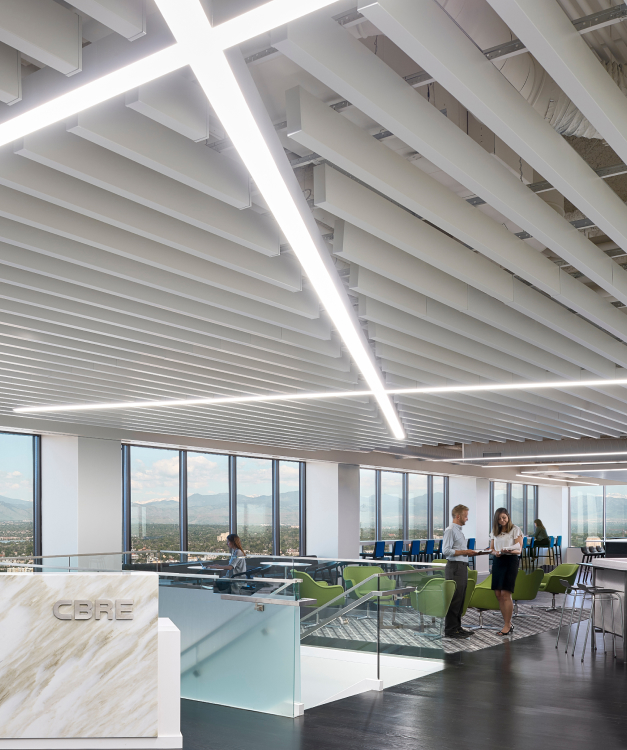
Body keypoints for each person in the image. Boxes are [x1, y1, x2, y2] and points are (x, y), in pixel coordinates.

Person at [442, 504, 478, 639]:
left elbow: (458, 550)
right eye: (465, 516)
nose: (467, 519)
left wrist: (469, 553)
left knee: (461, 598)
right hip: (455, 567)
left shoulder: (459, 530)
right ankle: (450, 630)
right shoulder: (450, 530)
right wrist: (465, 551)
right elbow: (446, 551)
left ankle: (457, 627)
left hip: (462, 566)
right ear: (458, 516)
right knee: (454, 598)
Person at [489, 508, 523, 637]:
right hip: (498, 562)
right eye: (499, 518)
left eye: (504, 517)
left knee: (505, 593)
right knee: (498, 594)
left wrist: (508, 551)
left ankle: (507, 625)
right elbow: (491, 549)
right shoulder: (494, 531)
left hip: (510, 561)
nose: (502, 520)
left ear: (508, 517)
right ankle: (507, 622)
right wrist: (495, 552)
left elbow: (519, 550)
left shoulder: (515, 530)